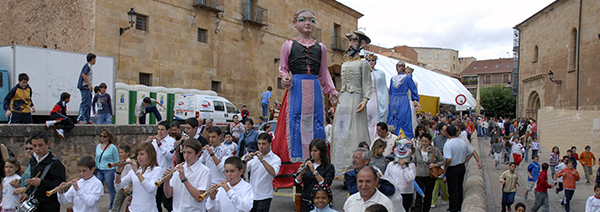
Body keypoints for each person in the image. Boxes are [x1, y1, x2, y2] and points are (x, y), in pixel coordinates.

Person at [273, 9, 339, 164]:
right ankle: (294, 164)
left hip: (315, 87)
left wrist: (332, 90)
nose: (308, 23)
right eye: (303, 19)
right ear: (295, 23)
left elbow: (323, 73)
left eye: (312, 20)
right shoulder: (288, 45)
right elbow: (283, 69)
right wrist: (285, 79)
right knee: (294, 122)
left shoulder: (321, 47)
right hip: (296, 87)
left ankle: (318, 162)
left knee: (317, 121)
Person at [331, 29, 372, 174]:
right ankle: (339, 166)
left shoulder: (364, 64)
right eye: (350, 40)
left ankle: (354, 166)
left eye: (355, 40)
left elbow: (368, 84)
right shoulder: (344, 64)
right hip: (344, 99)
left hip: (356, 98)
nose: (351, 43)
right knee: (341, 132)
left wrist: (365, 99)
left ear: (362, 44)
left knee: (354, 131)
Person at [21, 131, 67, 212]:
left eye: (40, 145)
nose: (37, 148)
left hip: (49, 205)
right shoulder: (33, 160)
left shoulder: (55, 163)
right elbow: (33, 181)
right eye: (34, 146)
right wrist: (26, 193)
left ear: (47, 145)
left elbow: (60, 185)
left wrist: (41, 183)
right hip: (35, 204)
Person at [163, 139, 211, 212]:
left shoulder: (204, 171)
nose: (186, 156)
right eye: (184, 152)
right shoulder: (178, 168)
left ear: (198, 153)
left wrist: (184, 180)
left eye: (189, 153)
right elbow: (168, 194)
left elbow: (199, 198)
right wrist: (166, 181)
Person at [115, 142, 163, 212]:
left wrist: (137, 172)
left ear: (150, 155)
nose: (138, 157)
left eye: (142, 154)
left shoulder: (157, 170)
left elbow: (150, 189)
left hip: (148, 209)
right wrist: (118, 173)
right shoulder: (134, 171)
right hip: (133, 209)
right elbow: (118, 186)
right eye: (137, 154)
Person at [243, 133, 282, 212]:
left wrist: (262, 160)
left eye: (264, 144)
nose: (261, 146)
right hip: (251, 195)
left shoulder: (275, 159)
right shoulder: (254, 157)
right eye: (259, 143)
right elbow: (243, 171)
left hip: (265, 196)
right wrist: (245, 162)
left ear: (270, 144)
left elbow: (274, 173)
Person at [294, 139, 335, 212]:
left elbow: (326, 184)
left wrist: (314, 171)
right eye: (311, 151)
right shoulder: (308, 163)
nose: (313, 153)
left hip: (321, 203)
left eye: (315, 151)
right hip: (306, 201)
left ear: (322, 152)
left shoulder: (329, 167)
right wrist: (301, 174)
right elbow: (296, 183)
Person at [443, 124, 474, 212]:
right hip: (461, 166)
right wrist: (464, 160)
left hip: (452, 168)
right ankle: (460, 206)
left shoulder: (448, 144)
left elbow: (448, 159)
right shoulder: (462, 141)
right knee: (459, 187)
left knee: (453, 190)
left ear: (448, 133)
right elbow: (471, 152)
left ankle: (454, 208)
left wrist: (446, 167)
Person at [146, 121, 176, 212]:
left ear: (168, 130)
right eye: (158, 129)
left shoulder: (172, 141)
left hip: (166, 176)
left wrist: (160, 145)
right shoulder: (154, 141)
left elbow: (170, 155)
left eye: (162, 130)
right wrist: (147, 144)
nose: (160, 132)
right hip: (155, 175)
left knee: (167, 203)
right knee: (156, 201)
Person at [387, 61, 419, 140]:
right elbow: (390, 91)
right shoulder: (392, 78)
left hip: (403, 99)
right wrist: (389, 98)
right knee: (392, 118)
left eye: (400, 66)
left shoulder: (407, 78)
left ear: (403, 68)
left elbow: (413, 89)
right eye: (397, 66)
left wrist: (415, 99)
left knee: (403, 118)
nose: (398, 68)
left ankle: (404, 137)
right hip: (393, 100)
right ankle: (392, 135)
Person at [412, 133, 444, 212]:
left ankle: (426, 209)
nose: (424, 143)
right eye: (422, 141)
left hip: (430, 175)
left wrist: (435, 164)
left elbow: (442, 161)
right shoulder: (417, 150)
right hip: (419, 175)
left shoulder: (435, 150)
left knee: (428, 194)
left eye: (426, 141)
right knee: (419, 194)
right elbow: (414, 162)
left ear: (430, 141)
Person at [384, 136, 416, 212]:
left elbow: (409, 179)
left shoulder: (412, 166)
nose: (401, 148)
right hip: (394, 193)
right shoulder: (391, 164)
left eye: (407, 146)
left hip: (406, 193)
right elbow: (386, 178)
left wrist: (404, 166)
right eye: (398, 145)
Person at [365, 53, 389, 141]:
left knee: (375, 120)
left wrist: (383, 102)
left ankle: (374, 140)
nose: (371, 62)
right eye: (369, 60)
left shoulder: (381, 73)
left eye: (373, 60)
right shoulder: (363, 72)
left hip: (376, 98)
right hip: (366, 97)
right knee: (366, 120)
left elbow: (383, 89)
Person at [94, 129, 119, 209]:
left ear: (108, 137)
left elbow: (116, 160)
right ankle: (93, 205)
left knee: (110, 189)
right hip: (99, 169)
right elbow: (96, 158)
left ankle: (113, 207)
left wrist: (115, 171)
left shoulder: (112, 147)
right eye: (101, 136)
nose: (102, 138)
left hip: (109, 170)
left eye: (104, 136)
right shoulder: (98, 146)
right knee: (96, 188)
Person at [111, 144, 133, 212]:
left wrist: (128, 188)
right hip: (121, 187)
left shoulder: (129, 164)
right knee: (116, 204)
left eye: (121, 152)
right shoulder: (120, 162)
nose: (120, 154)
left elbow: (130, 177)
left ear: (127, 153)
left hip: (126, 188)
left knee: (130, 205)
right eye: (119, 152)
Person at [77, 53, 96, 124]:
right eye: (94, 59)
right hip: (85, 87)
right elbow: (83, 74)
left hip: (87, 87)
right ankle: (81, 118)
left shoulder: (89, 66)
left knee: (88, 103)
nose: (95, 61)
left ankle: (86, 119)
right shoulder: (87, 66)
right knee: (85, 102)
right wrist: (89, 84)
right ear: (92, 59)